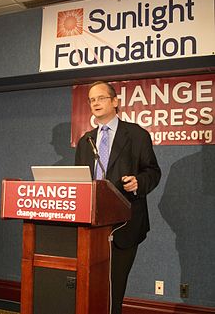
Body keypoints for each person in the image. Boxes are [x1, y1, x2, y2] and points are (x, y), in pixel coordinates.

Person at [75, 81, 161, 314]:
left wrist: (138, 183)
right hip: (91, 226)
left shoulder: (136, 134)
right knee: (90, 285)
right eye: (92, 100)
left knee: (114, 287)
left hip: (125, 223)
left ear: (115, 102)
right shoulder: (86, 140)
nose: (95, 103)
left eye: (101, 98)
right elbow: (80, 180)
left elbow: (152, 171)